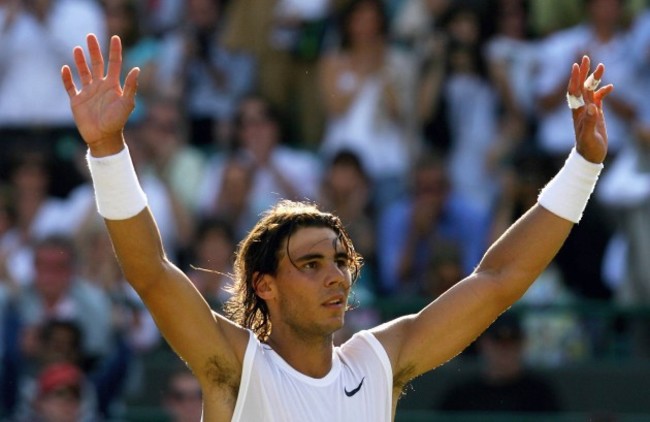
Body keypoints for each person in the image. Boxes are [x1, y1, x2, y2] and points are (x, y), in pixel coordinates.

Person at [61, 33, 612, 420]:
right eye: (311, 263)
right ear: (264, 285)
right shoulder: (235, 367)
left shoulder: (378, 361)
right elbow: (150, 272)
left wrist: (584, 166)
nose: (336, 277)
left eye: (339, 261)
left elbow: (498, 282)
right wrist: (109, 150)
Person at [437, 312, 561, 413]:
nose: (505, 349)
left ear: (523, 342)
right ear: (483, 343)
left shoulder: (539, 394)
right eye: (498, 341)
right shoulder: (461, 395)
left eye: (512, 340)